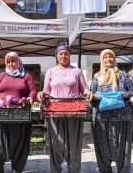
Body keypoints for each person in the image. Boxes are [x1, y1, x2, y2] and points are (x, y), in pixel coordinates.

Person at [37, 43, 93, 173]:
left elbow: (83, 88)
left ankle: (73, 170)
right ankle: (56, 169)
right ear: (56, 56)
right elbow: (46, 90)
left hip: (74, 112)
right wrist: (41, 93)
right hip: (54, 112)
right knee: (56, 143)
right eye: (61, 53)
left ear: (69, 55)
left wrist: (88, 92)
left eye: (66, 53)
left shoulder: (76, 71)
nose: (63, 56)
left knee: (73, 145)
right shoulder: (51, 71)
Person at [0, 52, 37, 173]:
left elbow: (33, 91)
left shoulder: (26, 76)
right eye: (8, 61)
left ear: (18, 62)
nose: (11, 64)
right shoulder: (1, 76)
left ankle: (17, 168)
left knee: (20, 142)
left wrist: (31, 97)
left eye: (13, 61)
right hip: (1, 113)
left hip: (20, 114)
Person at [89, 49, 133, 173]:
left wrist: (125, 95)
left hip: (122, 117)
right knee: (103, 151)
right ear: (101, 60)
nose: (108, 59)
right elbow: (91, 94)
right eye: (105, 57)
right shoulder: (96, 77)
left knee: (123, 150)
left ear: (114, 59)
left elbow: (132, 92)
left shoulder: (123, 75)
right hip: (101, 119)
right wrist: (93, 96)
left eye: (111, 57)